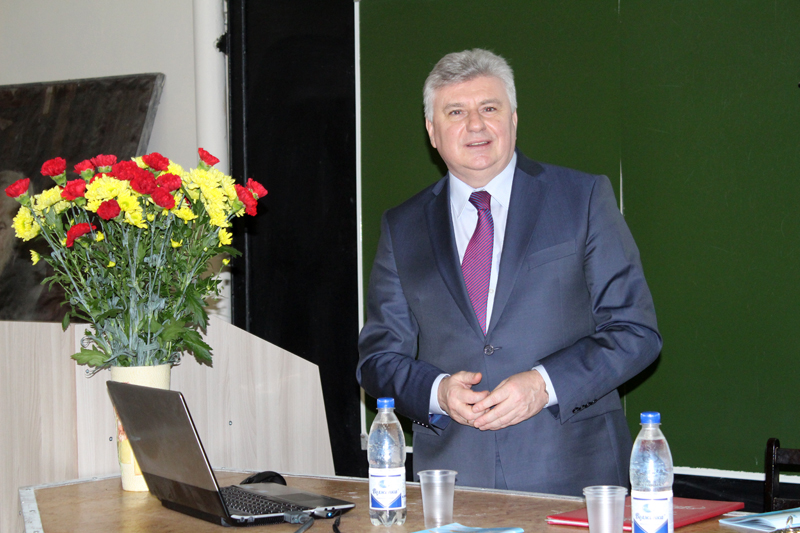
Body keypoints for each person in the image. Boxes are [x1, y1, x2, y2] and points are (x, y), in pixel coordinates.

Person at [356, 49, 662, 496]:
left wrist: (544, 385)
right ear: (432, 132)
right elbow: (378, 360)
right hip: (453, 485)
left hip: (576, 479)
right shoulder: (402, 227)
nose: (475, 125)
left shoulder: (582, 199)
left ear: (514, 120)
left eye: (489, 108)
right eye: (455, 112)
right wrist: (438, 392)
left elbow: (636, 332)